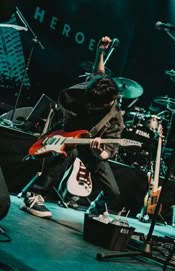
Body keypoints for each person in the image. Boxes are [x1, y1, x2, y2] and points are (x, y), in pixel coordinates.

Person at [20, 35, 125, 218]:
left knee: (113, 191)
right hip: (71, 136)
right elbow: (98, 73)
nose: (93, 107)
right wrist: (100, 52)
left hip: (93, 148)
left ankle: (96, 208)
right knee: (69, 151)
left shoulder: (113, 113)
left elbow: (112, 146)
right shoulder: (89, 90)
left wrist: (100, 152)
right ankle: (35, 194)